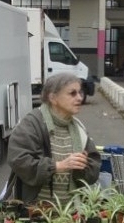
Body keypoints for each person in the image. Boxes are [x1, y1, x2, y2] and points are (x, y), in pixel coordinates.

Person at [7, 72, 101, 204]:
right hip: (35, 212)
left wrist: (83, 166)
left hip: (72, 212)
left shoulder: (79, 128)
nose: (80, 98)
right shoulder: (32, 123)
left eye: (80, 92)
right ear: (53, 98)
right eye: (72, 93)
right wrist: (57, 166)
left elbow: (93, 170)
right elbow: (19, 160)